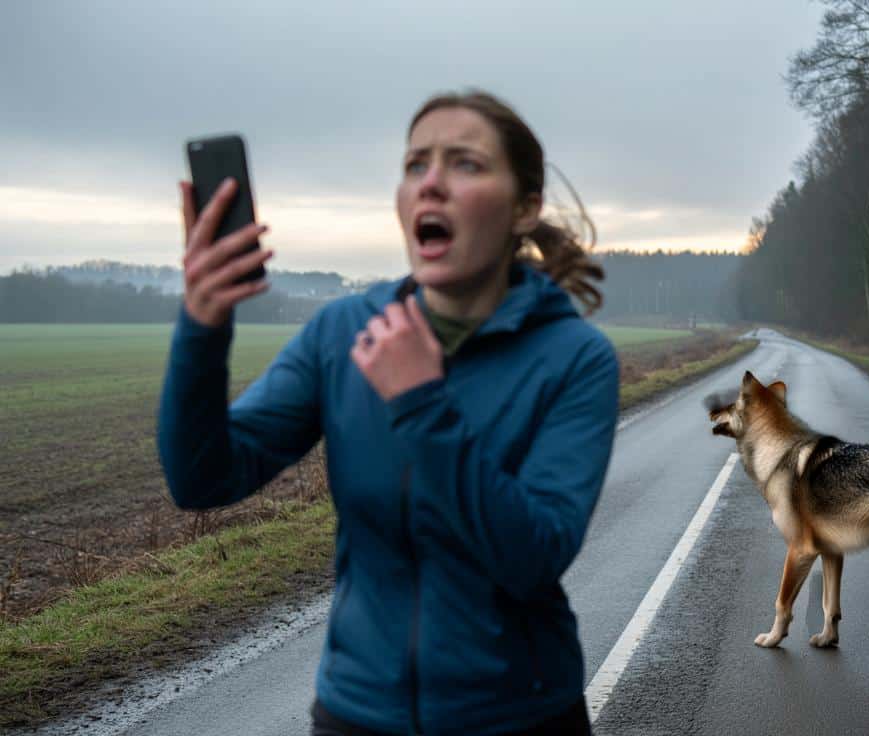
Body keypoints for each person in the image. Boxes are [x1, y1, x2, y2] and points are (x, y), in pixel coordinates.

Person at [158, 90, 619, 736]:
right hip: (357, 713)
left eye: (465, 164)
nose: (430, 183)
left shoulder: (575, 359)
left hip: (520, 717)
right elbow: (201, 478)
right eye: (414, 165)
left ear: (524, 209)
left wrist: (420, 402)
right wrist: (202, 328)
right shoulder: (342, 332)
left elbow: (532, 557)